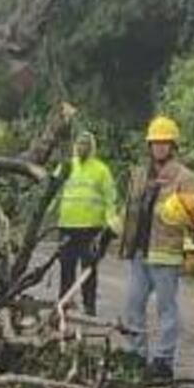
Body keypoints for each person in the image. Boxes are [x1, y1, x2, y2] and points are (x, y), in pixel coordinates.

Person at [117, 115, 194, 382]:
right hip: (140, 253)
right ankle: (136, 356)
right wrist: (112, 231)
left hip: (166, 254)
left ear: (173, 146)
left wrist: (192, 253)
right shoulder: (140, 175)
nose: (159, 148)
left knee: (166, 310)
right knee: (133, 306)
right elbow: (129, 212)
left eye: (164, 143)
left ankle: (164, 362)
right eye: (155, 143)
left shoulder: (185, 178)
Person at [56, 131, 120, 317]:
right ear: (75, 145)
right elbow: (51, 189)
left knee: (89, 270)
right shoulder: (67, 166)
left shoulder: (101, 170)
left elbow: (110, 198)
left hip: (91, 229)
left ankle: (89, 307)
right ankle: (64, 305)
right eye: (79, 143)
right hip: (67, 226)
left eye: (86, 144)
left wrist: (111, 223)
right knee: (66, 269)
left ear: (92, 147)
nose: (82, 147)